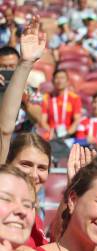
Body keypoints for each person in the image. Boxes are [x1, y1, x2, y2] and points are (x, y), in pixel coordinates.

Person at [0, 21, 45, 164]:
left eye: (12, 66)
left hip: (24, 148)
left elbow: (38, 118)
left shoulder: (31, 89)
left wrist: (25, 101)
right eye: (3, 67)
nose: (8, 70)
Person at [5, 133, 51, 246]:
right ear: (8, 163)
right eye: (26, 164)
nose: (34, 175)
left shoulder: (35, 214)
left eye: (42, 168)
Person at [40, 69, 82, 142]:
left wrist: (67, 133)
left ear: (68, 81)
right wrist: (51, 132)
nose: (59, 81)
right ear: (53, 81)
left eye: (62, 78)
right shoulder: (46, 97)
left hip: (68, 137)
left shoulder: (74, 98)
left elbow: (77, 120)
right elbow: (43, 121)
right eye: (57, 78)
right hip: (51, 136)